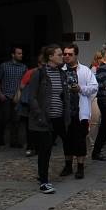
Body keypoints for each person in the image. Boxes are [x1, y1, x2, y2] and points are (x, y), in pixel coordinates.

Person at [28, 44, 70, 194]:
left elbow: (64, 96)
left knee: (60, 144)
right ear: (50, 57)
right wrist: (39, 114)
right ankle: (44, 182)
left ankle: (49, 173)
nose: (63, 57)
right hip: (44, 118)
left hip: (58, 117)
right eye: (59, 54)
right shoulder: (39, 73)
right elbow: (31, 96)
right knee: (45, 150)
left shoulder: (62, 74)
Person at [60, 43, 98, 179]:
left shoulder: (85, 71)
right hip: (65, 112)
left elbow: (94, 87)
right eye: (64, 54)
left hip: (80, 111)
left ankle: (80, 167)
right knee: (66, 139)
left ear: (76, 55)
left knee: (80, 139)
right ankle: (68, 165)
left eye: (70, 54)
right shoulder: (61, 70)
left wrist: (81, 89)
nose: (66, 56)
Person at [0, 46, 26, 148]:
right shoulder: (3, 66)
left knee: (16, 120)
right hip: (6, 96)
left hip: (17, 96)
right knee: (4, 118)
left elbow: (25, 82)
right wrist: (0, 94)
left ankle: (14, 141)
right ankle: (0, 137)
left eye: (21, 53)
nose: (21, 55)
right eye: (19, 53)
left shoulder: (23, 67)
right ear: (13, 54)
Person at [19, 52, 44, 156]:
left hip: (40, 103)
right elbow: (22, 86)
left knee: (37, 126)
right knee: (31, 127)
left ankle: (35, 147)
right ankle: (32, 147)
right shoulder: (32, 72)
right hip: (31, 104)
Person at [88, 49, 104, 152]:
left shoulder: (104, 68)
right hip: (95, 97)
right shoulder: (93, 69)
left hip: (103, 96)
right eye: (101, 58)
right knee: (95, 120)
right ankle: (93, 141)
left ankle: (99, 140)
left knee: (102, 120)